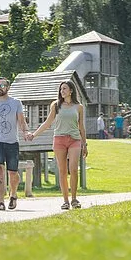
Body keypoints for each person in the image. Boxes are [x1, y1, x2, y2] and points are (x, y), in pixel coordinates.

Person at [27, 80, 88, 210]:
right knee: (62, 171)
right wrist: (34, 134)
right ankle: (65, 200)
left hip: (74, 140)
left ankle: (74, 199)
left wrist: (85, 144)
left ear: (71, 90)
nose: (62, 91)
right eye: (61, 89)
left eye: (65, 89)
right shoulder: (56, 105)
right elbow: (47, 123)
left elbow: (81, 127)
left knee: (73, 169)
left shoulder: (79, 107)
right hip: (59, 140)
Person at [0, 77, 30, 211]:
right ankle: (1, 201)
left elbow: (21, 120)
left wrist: (25, 132)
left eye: (2, 85)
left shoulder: (16, 103)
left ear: (8, 88)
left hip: (12, 142)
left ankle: (13, 194)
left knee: (12, 173)